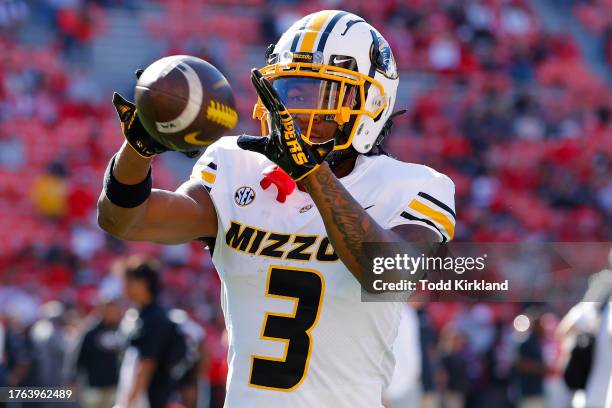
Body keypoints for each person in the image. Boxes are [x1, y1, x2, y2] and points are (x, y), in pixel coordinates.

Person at [98, 9, 456, 407]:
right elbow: (126, 220)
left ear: (371, 103)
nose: (298, 113)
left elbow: (387, 275)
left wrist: (311, 173)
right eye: (289, 93)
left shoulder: (414, 186)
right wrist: (138, 150)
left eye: (321, 95)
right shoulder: (237, 166)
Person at [114, 257, 177, 408]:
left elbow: (147, 364)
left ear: (144, 283)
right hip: (135, 395)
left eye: (129, 281)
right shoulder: (136, 314)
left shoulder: (155, 317)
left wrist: (128, 402)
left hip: (149, 398)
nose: (124, 287)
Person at [74, 295, 122, 408]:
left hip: (114, 387)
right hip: (93, 388)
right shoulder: (90, 334)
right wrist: (73, 380)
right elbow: (79, 359)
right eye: (108, 310)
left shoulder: (121, 332)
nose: (112, 313)